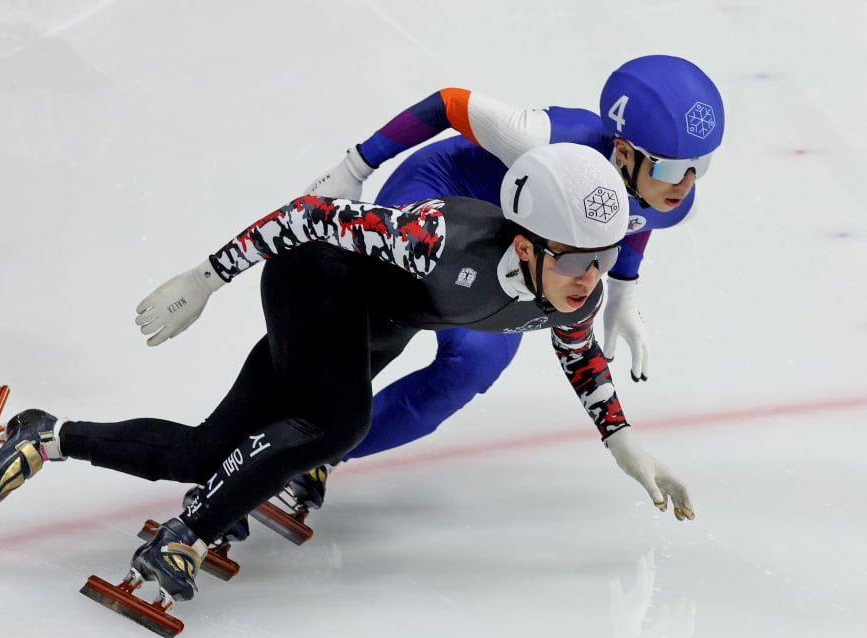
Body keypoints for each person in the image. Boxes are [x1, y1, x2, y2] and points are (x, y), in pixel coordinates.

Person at [0, 142, 695, 609]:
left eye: (602, 259)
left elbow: (580, 354)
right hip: (316, 280)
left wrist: (625, 444)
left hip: (372, 327)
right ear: (527, 241)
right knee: (339, 422)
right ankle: (187, 533)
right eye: (574, 259)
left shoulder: (578, 292)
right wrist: (204, 279)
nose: (588, 280)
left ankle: (48, 437)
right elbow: (310, 218)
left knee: (204, 451)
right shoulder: (437, 236)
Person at [251, 55, 723, 511]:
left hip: (522, 243)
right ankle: (268, 426)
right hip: (445, 194)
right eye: (668, 166)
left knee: (473, 366)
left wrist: (624, 290)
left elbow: (640, 222)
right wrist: (354, 168)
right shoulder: (549, 137)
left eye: (697, 166)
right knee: (384, 312)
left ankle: (317, 455)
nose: (684, 182)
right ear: (623, 152)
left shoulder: (671, 191)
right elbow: (449, 102)